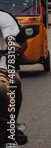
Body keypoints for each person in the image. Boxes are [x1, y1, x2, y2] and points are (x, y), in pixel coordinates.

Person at [0, 9, 28, 146]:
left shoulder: (4, 17)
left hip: (2, 65)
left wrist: (12, 48)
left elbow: (11, 40)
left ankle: (11, 127)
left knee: (13, 82)